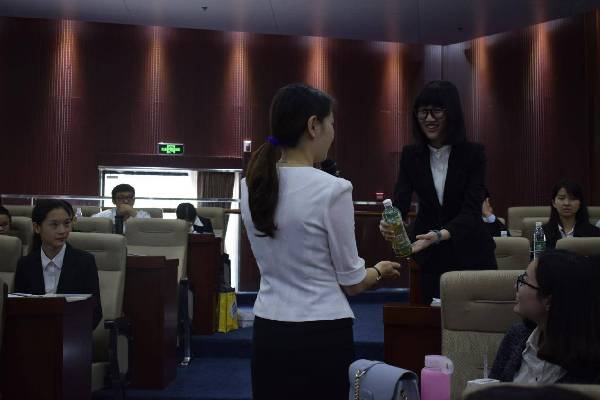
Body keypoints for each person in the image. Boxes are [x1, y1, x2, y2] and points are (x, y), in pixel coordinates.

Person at [241, 83, 401, 399]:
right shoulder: (333, 189)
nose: (333, 133)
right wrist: (379, 271)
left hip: (268, 331)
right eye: (331, 124)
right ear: (314, 125)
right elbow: (352, 282)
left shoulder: (250, 186)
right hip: (321, 334)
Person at [380, 80, 496, 303]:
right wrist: (390, 222)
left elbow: (472, 211)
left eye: (437, 111)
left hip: (471, 251)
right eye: (423, 111)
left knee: (477, 321)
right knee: (429, 319)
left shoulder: (473, 154)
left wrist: (439, 235)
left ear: (452, 113)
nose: (429, 118)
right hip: (429, 256)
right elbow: (400, 201)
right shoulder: (411, 155)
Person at [490, 250, 600, 384]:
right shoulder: (517, 336)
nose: (515, 286)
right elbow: (491, 389)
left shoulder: (592, 367)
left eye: (524, 281)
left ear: (549, 301)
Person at [14, 200, 103, 329]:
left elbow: (95, 311)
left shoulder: (85, 262)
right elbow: (17, 308)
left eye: (66, 223)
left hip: (72, 335)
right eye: (54, 225)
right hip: (33, 335)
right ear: (37, 227)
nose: (62, 231)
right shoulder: (25, 264)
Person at [542, 179, 600, 249]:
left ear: (580, 203)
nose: (566, 203)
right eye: (561, 198)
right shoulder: (542, 233)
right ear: (554, 203)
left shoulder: (595, 233)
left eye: (573, 199)